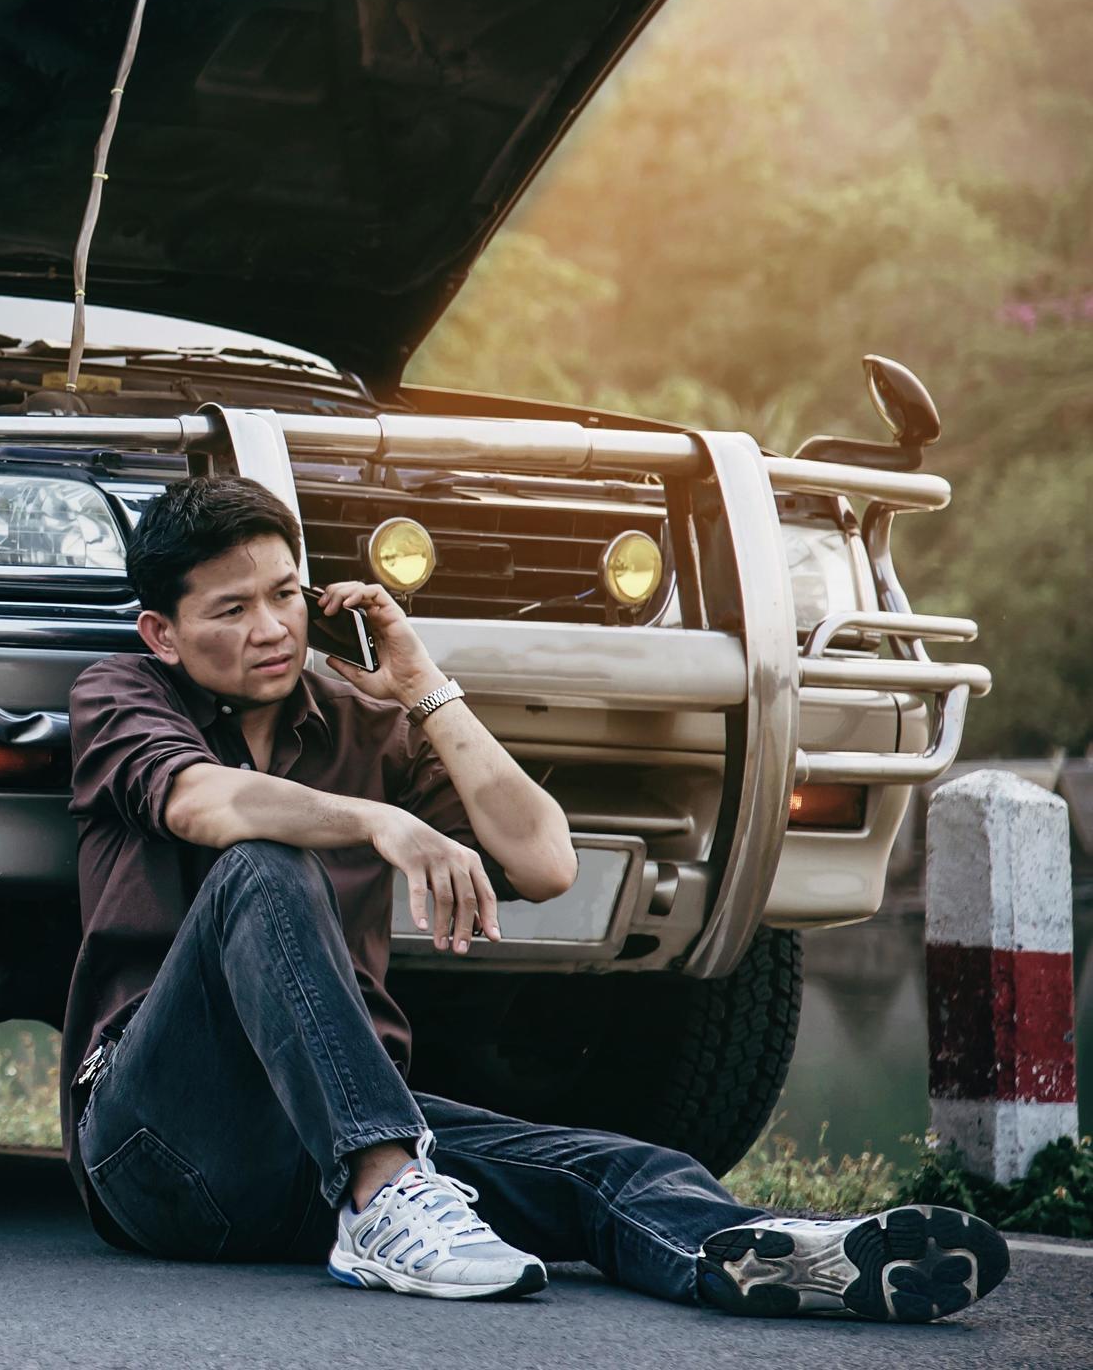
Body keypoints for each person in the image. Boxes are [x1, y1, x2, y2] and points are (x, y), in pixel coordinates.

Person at [63, 474, 1010, 1320]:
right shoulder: (122, 694)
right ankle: (383, 1193)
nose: (270, 629)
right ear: (165, 635)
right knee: (264, 869)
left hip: (315, 1144)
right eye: (231, 610)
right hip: (158, 1149)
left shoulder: (362, 724)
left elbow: (544, 859)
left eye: (283, 596)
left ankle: (778, 1262)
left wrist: (425, 687)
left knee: (626, 1166)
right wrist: (379, 822)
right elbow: (204, 802)